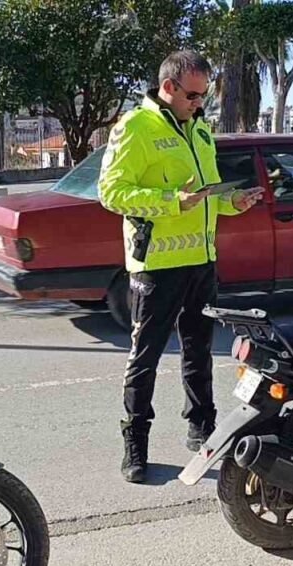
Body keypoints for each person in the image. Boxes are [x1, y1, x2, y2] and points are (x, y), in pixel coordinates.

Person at [98, 50, 264, 484]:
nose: (199, 103)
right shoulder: (135, 127)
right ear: (168, 87)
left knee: (199, 351)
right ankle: (135, 443)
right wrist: (172, 202)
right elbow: (111, 193)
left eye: (204, 96)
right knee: (145, 358)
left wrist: (233, 201)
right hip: (157, 265)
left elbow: (206, 196)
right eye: (192, 95)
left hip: (202, 262)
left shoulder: (200, 129)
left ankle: (202, 427)